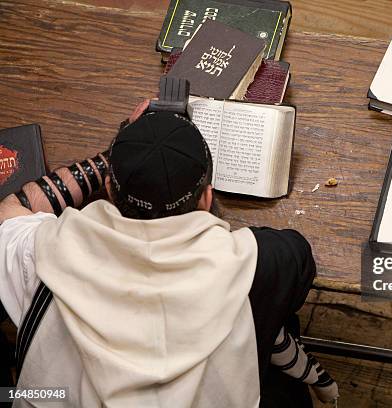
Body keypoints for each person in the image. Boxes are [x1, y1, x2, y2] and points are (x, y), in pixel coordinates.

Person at [0, 101, 322, 407]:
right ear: (207, 200)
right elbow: (299, 255)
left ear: (111, 190)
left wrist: (104, 161)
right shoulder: (260, 263)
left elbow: (9, 209)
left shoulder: (46, 253)